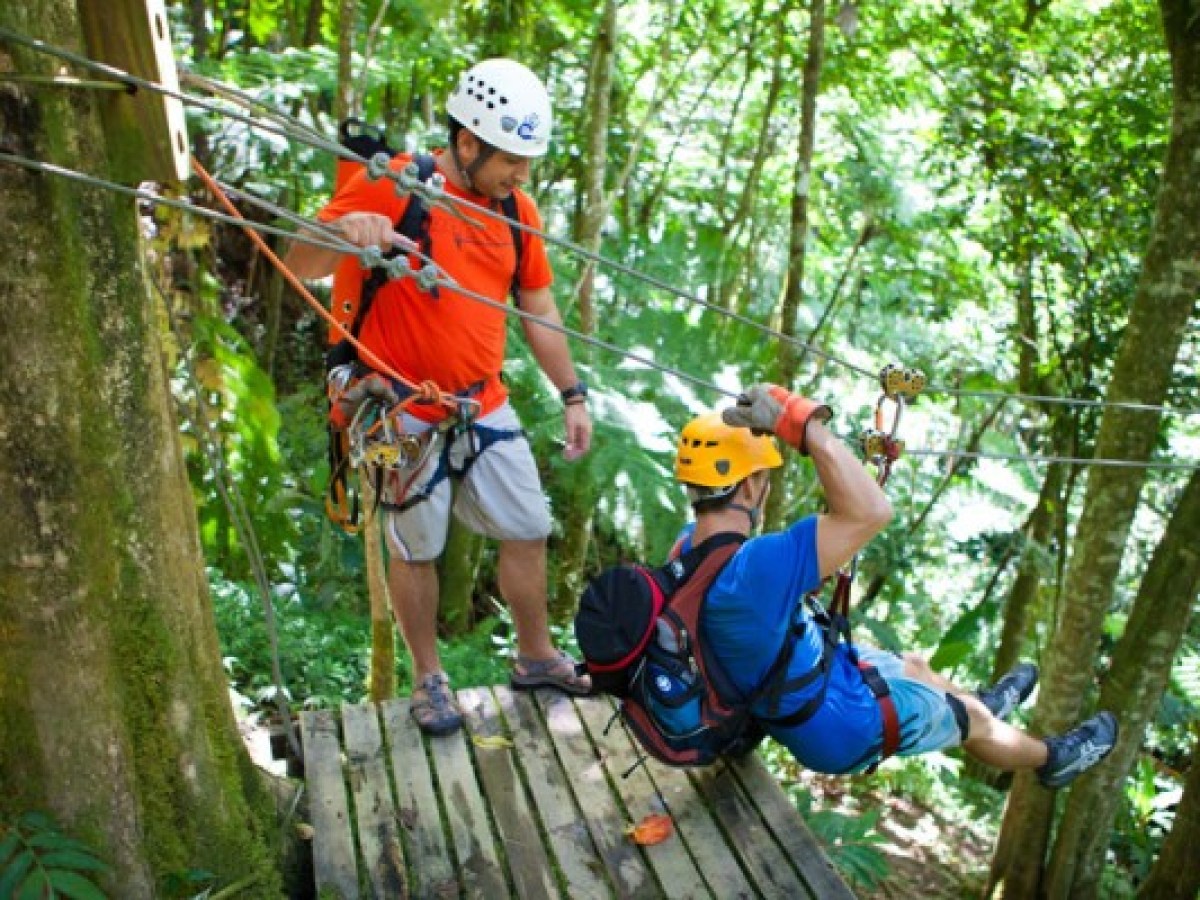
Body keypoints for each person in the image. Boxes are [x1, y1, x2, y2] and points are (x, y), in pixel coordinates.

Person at [285, 58, 592, 735]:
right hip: (403, 406)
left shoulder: (517, 212)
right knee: (416, 547)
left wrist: (572, 392)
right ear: (467, 143)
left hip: (482, 402)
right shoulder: (397, 186)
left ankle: (536, 655)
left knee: (529, 527)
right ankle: (429, 680)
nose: (521, 175)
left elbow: (537, 307)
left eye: (528, 162)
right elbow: (297, 261)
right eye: (512, 159)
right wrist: (346, 233)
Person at [612, 383, 1118, 786]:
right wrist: (802, 424)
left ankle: (984, 700)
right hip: (836, 720)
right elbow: (871, 512)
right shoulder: (756, 567)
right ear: (749, 486)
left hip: (806, 676)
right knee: (969, 722)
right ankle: (1053, 758)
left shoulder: (687, 548)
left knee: (918, 667)